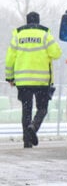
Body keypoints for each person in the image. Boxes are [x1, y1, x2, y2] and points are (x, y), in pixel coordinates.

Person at [5, 12, 62, 148]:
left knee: (26, 110)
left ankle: (27, 141)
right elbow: (57, 53)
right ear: (38, 21)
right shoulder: (45, 36)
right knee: (42, 109)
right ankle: (34, 127)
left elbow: (9, 59)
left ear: (27, 21)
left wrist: (10, 77)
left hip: (23, 81)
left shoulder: (17, 37)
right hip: (41, 81)